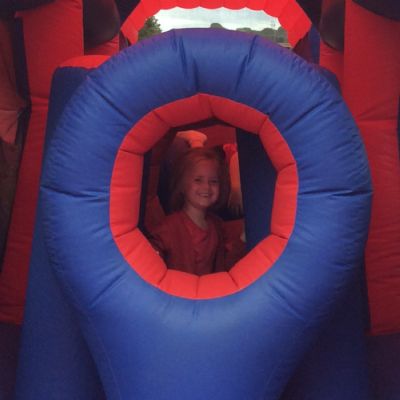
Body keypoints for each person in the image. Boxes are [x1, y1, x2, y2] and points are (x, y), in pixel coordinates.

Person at [148, 147, 245, 276]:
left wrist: (243, 239)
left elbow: (226, 265)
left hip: (211, 288)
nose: (206, 187)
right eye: (198, 180)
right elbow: (151, 254)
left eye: (213, 181)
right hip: (179, 288)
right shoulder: (169, 227)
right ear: (182, 185)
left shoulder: (217, 225)